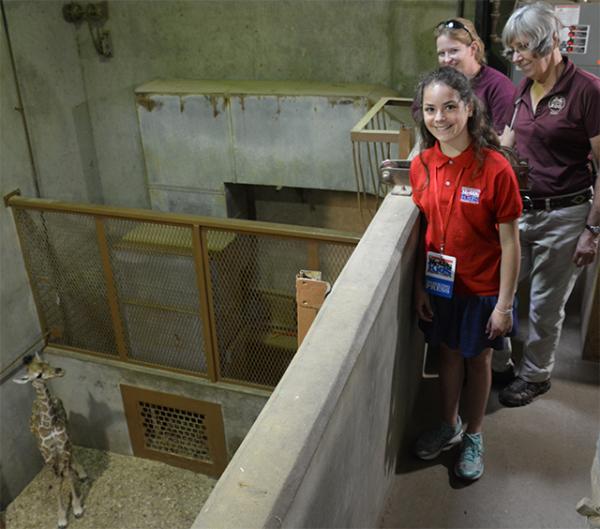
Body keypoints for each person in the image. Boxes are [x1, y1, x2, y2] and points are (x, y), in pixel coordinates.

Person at [410, 66, 522, 480]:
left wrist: (505, 305)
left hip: (483, 289)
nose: (440, 118)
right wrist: (421, 284)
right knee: (448, 355)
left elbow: (511, 242)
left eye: (449, 107)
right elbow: (426, 230)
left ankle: (474, 434)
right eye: (430, 109)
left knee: (479, 360)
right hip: (442, 286)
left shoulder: (495, 169)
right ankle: (449, 424)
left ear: (469, 108)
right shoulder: (422, 165)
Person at [498, 1, 600, 407]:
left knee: (545, 302)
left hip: (566, 211)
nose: (518, 57)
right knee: (500, 288)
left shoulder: (587, 91)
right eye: (513, 49)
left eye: (526, 48)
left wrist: (592, 230)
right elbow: (509, 142)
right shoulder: (524, 84)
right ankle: (502, 363)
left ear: (553, 42)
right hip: (521, 209)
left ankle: (536, 375)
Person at [434, 17, 515, 134]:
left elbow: (504, 140)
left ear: (473, 48)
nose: (446, 59)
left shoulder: (499, 86)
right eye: (441, 53)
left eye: (453, 51)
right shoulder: (437, 85)